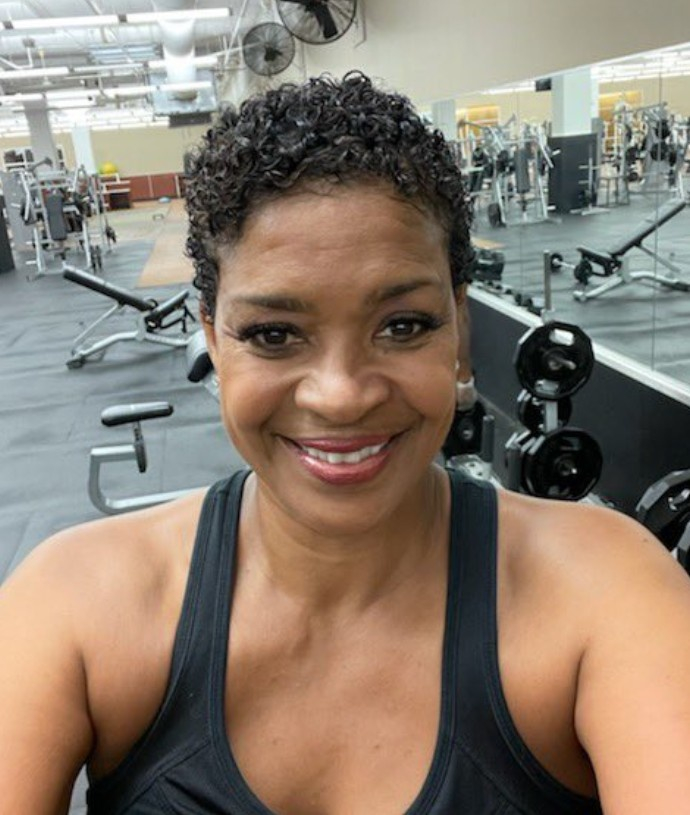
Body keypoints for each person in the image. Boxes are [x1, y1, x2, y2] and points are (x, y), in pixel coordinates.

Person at [1, 72, 690, 815]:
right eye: (274, 334)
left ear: (458, 326)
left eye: (403, 325)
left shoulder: (607, 591)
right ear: (213, 338)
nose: (341, 394)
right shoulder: (74, 602)